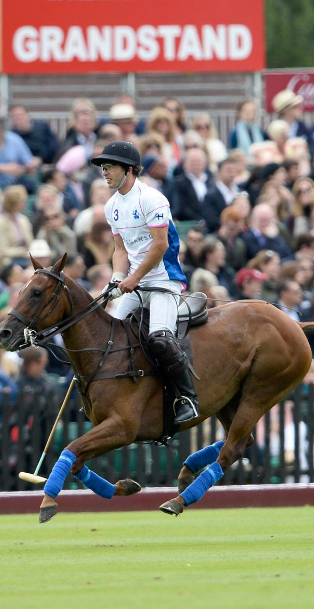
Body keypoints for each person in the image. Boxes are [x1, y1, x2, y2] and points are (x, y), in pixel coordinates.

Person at [90, 140, 196, 424]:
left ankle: (187, 398)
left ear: (129, 169)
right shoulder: (112, 205)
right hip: (134, 284)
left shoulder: (152, 198)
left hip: (164, 281)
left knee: (160, 339)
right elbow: (121, 250)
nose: (105, 172)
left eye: (109, 166)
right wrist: (116, 278)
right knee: (108, 335)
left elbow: (159, 246)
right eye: (103, 167)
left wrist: (133, 278)